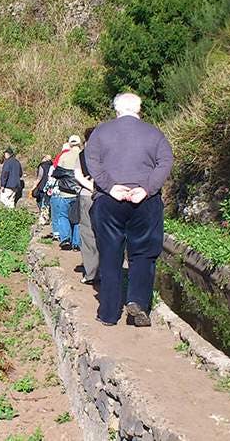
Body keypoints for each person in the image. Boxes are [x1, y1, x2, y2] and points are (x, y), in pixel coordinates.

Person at [86, 93, 174, 327]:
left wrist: (110, 186)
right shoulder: (154, 133)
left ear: (116, 110)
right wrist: (146, 188)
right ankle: (137, 301)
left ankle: (108, 313)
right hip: (144, 201)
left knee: (110, 254)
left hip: (109, 200)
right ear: (139, 109)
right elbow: (166, 161)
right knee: (143, 254)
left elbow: (91, 161)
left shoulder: (100, 133)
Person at [50, 135, 82, 251]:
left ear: (69, 144)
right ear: (80, 143)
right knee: (78, 218)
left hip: (64, 192)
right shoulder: (84, 156)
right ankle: (77, 242)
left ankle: (65, 239)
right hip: (79, 192)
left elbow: (56, 173)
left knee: (63, 216)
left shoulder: (64, 156)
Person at [75, 128, 98, 284]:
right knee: (106, 233)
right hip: (108, 196)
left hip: (87, 196)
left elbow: (77, 175)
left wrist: (91, 187)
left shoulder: (82, 154)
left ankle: (91, 273)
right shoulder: (109, 152)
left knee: (88, 234)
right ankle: (108, 270)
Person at [32, 155, 53, 225]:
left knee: (41, 203)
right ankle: (49, 218)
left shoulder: (42, 166)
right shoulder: (52, 166)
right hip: (50, 187)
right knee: (48, 203)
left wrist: (34, 185)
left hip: (42, 187)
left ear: (44, 159)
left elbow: (40, 177)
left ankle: (43, 219)